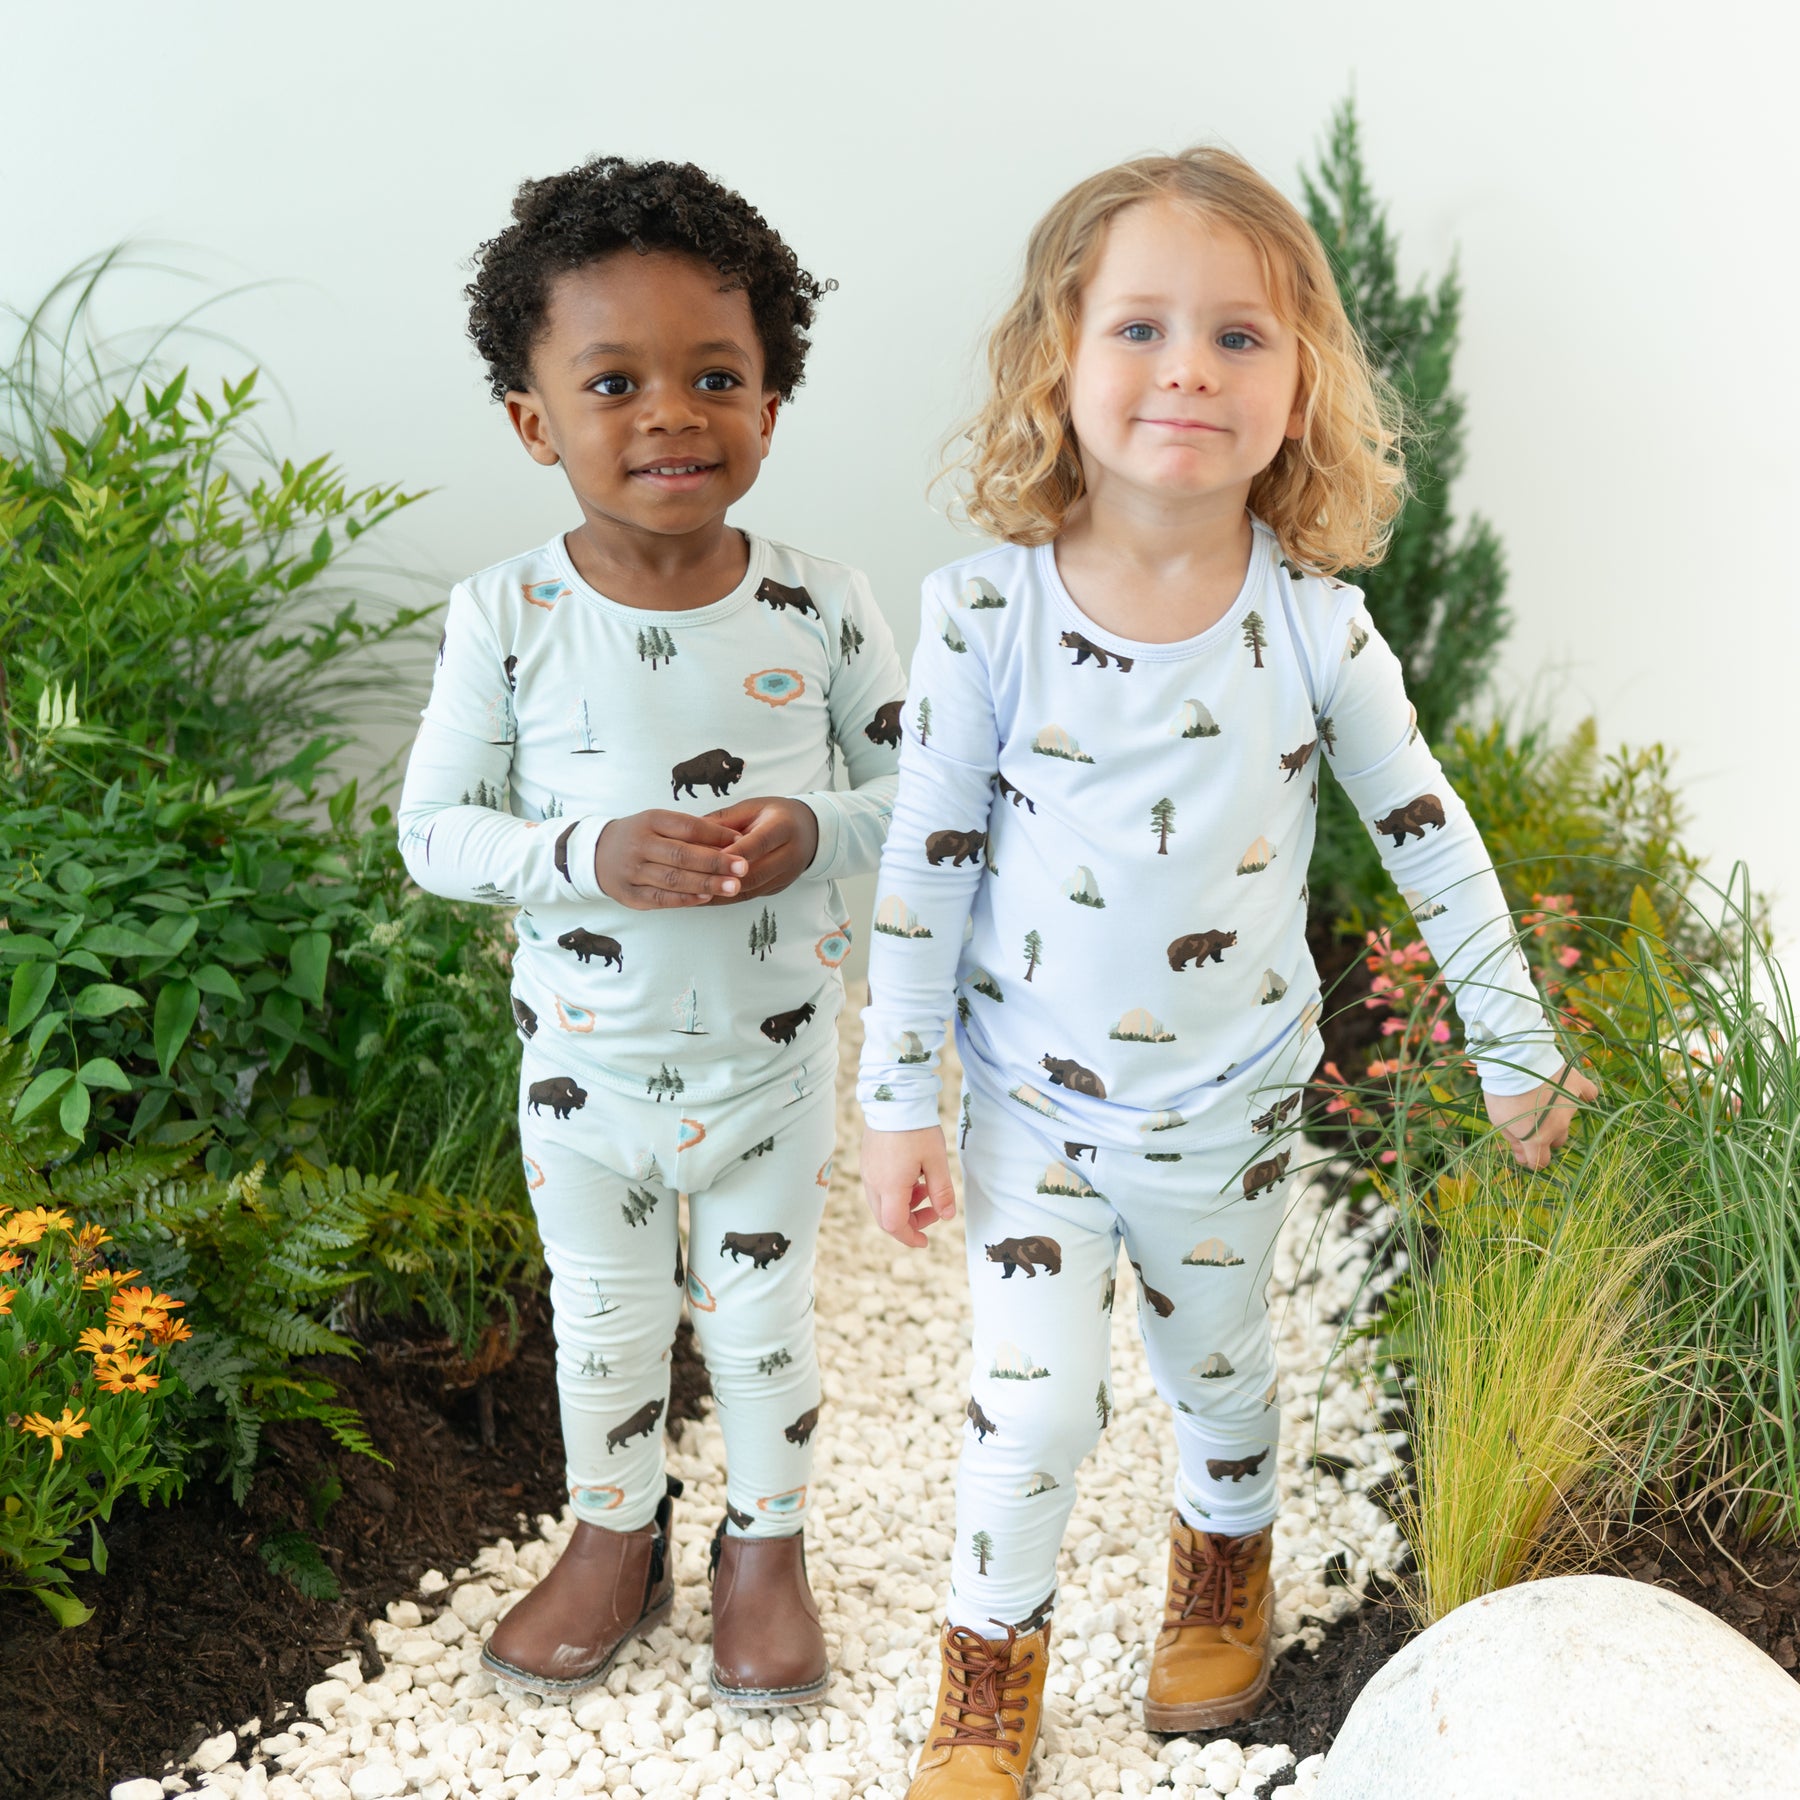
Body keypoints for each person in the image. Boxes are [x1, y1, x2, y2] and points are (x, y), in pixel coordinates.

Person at [857, 146, 1598, 1797]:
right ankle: (988, 1668)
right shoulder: (983, 615)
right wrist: (896, 1092)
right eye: (1140, 327)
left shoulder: (1318, 628)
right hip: (1033, 1102)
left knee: (1218, 1367)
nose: (1187, 367)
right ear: (1057, 362)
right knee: (1031, 1410)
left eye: (1238, 336)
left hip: (1229, 1104)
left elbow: (1429, 837)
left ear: (1301, 385)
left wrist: (1511, 1038)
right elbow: (928, 864)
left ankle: (1224, 1557)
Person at [397, 156, 905, 1709]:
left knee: (761, 1325)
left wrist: (815, 828)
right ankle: (615, 1536)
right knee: (605, 1324)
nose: (672, 413)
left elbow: (927, 804)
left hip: (769, 1071)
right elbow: (434, 832)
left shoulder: (824, 607)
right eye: (615, 382)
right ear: (533, 420)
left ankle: (768, 1548)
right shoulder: (505, 617)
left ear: (772, 406)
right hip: (586, 1076)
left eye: (716, 377)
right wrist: (586, 855)